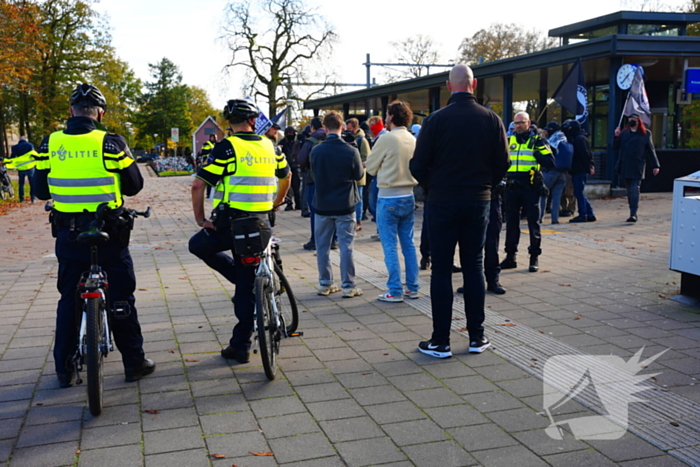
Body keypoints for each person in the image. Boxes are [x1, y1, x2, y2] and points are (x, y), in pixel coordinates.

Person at [33, 83, 154, 387]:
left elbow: (38, 190)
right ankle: (134, 363)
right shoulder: (111, 143)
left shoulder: (49, 143)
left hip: (69, 234)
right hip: (109, 233)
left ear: (70, 111)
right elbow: (134, 186)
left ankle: (64, 368)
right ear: (100, 113)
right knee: (122, 295)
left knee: (68, 300)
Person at [410, 64, 510, 358]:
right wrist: (485, 187)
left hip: (442, 200)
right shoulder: (492, 120)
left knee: (441, 268)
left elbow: (417, 165)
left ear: (449, 86)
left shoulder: (435, 121)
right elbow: (502, 162)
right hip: (478, 199)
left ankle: (440, 340)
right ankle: (477, 337)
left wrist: (433, 187)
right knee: (474, 266)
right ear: (474, 84)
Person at [188, 98, 290, 363]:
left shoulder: (226, 147)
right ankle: (240, 341)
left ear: (229, 124)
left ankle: (241, 345)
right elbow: (286, 176)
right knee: (246, 280)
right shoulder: (271, 146)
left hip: (231, 224)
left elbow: (198, 185)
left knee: (198, 245)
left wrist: (201, 220)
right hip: (262, 223)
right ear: (253, 121)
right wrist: (276, 203)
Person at [366, 101, 419, 303]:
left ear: (391, 116)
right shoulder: (413, 139)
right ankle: (412, 287)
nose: (385, 118)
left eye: (387, 115)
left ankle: (395, 289)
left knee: (390, 246)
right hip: (408, 195)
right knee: (408, 244)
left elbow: (371, 168)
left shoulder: (386, 139)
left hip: (388, 196)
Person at [310, 111, 364, 298]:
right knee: (346, 246)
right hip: (345, 203)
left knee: (322, 246)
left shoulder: (316, 150)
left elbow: (314, 175)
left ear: (325, 128)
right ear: (342, 127)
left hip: (322, 204)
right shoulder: (351, 151)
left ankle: (325, 283)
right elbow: (358, 176)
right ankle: (348, 285)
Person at [500, 111, 555, 274]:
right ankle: (510, 257)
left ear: (529, 123)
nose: (518, 126)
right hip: (511, 186)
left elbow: (551, 162)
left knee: (533, 223)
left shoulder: (537, 141)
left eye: (521, 123)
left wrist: (538, 154)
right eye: (516, 123)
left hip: (530, 186)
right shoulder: (509, 141)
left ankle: (534, 257)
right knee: (511, 223)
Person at [614, 113, 660, 222]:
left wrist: (655, 165)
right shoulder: (624, 133)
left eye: (634, 119)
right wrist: (616, 136)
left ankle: (633, 213)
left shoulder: (645, 134)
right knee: (629, 190)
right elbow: (615, 148)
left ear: (639, 121)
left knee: (635, 189)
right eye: (630, 119)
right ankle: (631, 210)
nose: (632, 121)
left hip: (637, 165)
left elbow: (650, 150)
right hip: (625, 165)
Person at [297, 118, 326, 250]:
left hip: (313, 179)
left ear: (312, 127)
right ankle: (333, 239)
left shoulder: (311, 141)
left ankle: (315, 240)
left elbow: (301, 160)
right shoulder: (331, 137)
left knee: (315, 211)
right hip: (331, 180)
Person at [562, 120, 596, 223]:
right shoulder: (579, 138)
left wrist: (589, 167)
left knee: (579, 192)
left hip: (579, 170)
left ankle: (583, 214)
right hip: (579, 169)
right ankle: (589, 213)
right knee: (579, 192)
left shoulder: (579, 139)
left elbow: (585, 155)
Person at [540, 122, 569, 225]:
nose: (547, 131)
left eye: (548, 129)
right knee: (557, 196)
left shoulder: (551, 141)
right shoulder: (564, 138)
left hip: (551, 171)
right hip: (562, 172)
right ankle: (555, 219)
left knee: (543, 194)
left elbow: (545, 155)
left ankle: (540, 218)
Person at [345, 118, 370, 231]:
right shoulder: (346, 138)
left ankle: (358, 221)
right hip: (348, 175)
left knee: (358, 199)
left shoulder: (362, 140)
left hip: (358, 175)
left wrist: (358, 165)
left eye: (349, 129)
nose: (347, 131)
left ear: (355, 129)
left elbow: (367, 157)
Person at [7, 136, 37, 203]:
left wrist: (7, 161)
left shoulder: (15, 147)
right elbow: (34, 154)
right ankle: (33, 198)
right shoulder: (30, 145)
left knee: (21, 184)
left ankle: (22, 199)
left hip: (20, 167)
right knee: (32, 183)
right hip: (30, 167)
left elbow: (12, 157)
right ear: (25, 140)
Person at [280, 126, 300, 211]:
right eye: (289, 133)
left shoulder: (297, 142)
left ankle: (298, 204)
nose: (290, 135)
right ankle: (289, 204)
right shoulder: (282, 142)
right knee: (287, 187)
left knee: (296, 187)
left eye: (292, 133)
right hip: (286, 166)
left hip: (295, 166)